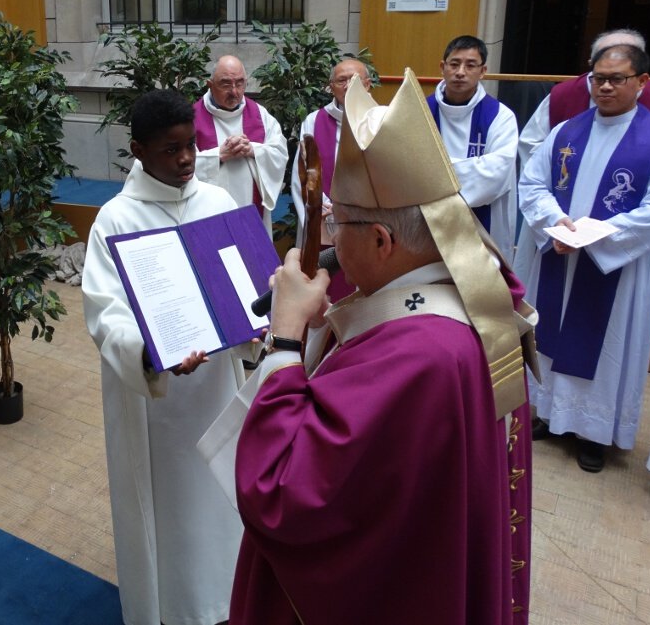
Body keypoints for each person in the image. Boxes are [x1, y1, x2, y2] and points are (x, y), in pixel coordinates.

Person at [202, 71, 534, 624]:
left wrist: (285, 338)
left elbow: (285, 492)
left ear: (382, 241)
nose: (328, 237)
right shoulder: (478, 298)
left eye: (339, 223)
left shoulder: (418, 355)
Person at [83, 90, 255, 625]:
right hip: (155, 402)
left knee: (219, 500)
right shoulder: (114, 219)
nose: (185, 159)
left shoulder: (218, 203)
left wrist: (261, 318)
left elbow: (248, 287)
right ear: (137, 149)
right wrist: (149, 355)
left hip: (215, 389)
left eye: (190, 145)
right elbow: (105, 312)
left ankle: (224, 599)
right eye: (169, 149)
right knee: (169, 511)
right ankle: (168, 608)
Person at [516, 44, 650, 473]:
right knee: (551, 333)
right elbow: (533, 182)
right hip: (560, 252)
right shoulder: (565, 132)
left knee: (607, 342)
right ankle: (547, 413)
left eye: (618, 78)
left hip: (614, 264)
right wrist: (555, 223)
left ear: (642, 83)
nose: (606, 86)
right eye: (598, 78)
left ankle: (592, 433)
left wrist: (595, 238)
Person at [289, 55, 372, 300]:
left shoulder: (383, 119)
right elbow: (301, 174)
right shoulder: (314, 121)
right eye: (341, 80)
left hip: (367, 223)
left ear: (368, 85)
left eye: (355, 80)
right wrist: (318, 208)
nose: (347, 85)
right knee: (323, 296)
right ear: (330, 87)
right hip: (325, 223)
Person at [427, 35, 519, 256]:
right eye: (454, 64)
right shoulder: (419, 110)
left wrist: (434, 174)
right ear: (443, 67)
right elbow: (406, 162)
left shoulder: (500, 116)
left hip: (482, 221)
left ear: (483, 71)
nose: (460, 72)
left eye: (470, 65)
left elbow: (496, 173)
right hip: (428, 221)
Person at [517, 28, 650, 169]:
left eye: (617, 77)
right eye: (604, 58)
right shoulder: (563, 95)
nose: (606, 86)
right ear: (592, 62)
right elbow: (532, 145)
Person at [194, 55, 288, 236]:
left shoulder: (260, 115)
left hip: (251, 206)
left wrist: (253, 149)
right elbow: (181, 165)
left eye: (240, 83)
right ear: (210, 84)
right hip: (210, 211)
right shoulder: (192, 118)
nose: (234, 91)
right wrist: (219, 155)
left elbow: (279, 153)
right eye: (226, 84)